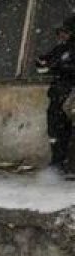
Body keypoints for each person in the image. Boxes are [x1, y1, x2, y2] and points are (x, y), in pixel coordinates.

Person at [35, 16, 74, 172]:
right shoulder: (62, 49)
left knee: (67, 133)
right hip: (59, 96)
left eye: (65, 32)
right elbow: (45, 62)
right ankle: (58, 163)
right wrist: (42, 62)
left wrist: (58, 67)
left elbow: (65, 67)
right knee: (55, 131)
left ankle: (67, 164)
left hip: (69, 95)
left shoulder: (69, 50)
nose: (61, 36)